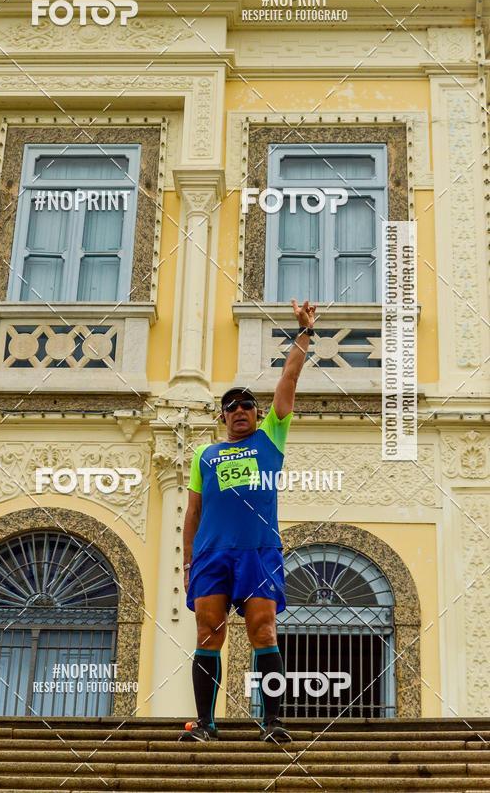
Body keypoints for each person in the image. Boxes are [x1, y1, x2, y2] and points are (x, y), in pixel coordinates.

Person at [180, 298, 316, 743]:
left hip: (258, 552)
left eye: (247, 405)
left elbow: (289, 379)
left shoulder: (271, 438)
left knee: (263, 629)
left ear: (258, 413)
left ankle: (272, 722)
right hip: (211, 554)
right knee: (207, 632)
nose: (240, 410)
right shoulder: (206, 454)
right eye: (231, 406)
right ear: (222, 415)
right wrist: (186, 563)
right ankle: (204, 724)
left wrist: (303, 333)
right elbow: (193, 513)